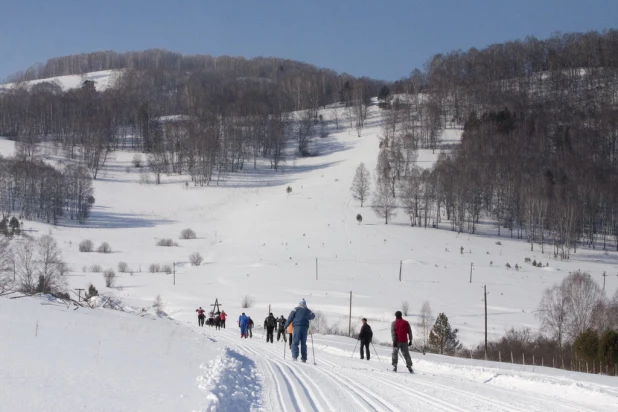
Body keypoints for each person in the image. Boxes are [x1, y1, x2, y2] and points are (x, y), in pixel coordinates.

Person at [285, 298, 315, 362]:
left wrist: (285, 326)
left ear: (299, 303)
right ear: (305, 304)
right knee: (303, 343)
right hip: (305, 328)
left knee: (295, 342)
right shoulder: (308, 311)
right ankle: (304, 358)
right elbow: (313, 316)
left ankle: (295, 357)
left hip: (297, 327)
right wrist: (308, 316)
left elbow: (290, 318)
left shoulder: (295, 309)